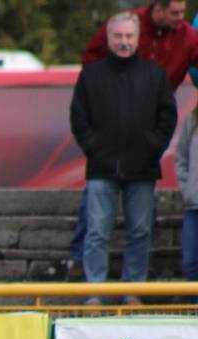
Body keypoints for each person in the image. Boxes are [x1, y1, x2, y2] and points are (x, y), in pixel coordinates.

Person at [69, 0, 198, 280]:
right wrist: (94, 148)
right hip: (103, 164)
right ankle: (92, 289)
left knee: (140, 231)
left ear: (138, 39)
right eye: (119, 36)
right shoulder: (93, 73)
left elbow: (167, 116)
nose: (124, 41)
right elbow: (79, 116)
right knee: (96, 229)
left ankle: (132, 290)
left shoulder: (162, 67)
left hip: (143, 164)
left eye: (129, 36)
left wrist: (153, 147)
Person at [175, 101, 198, 298]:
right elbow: (181, 159)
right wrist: (188, 189)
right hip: (194, 207)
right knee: (191, 262)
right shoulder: (192, 120)